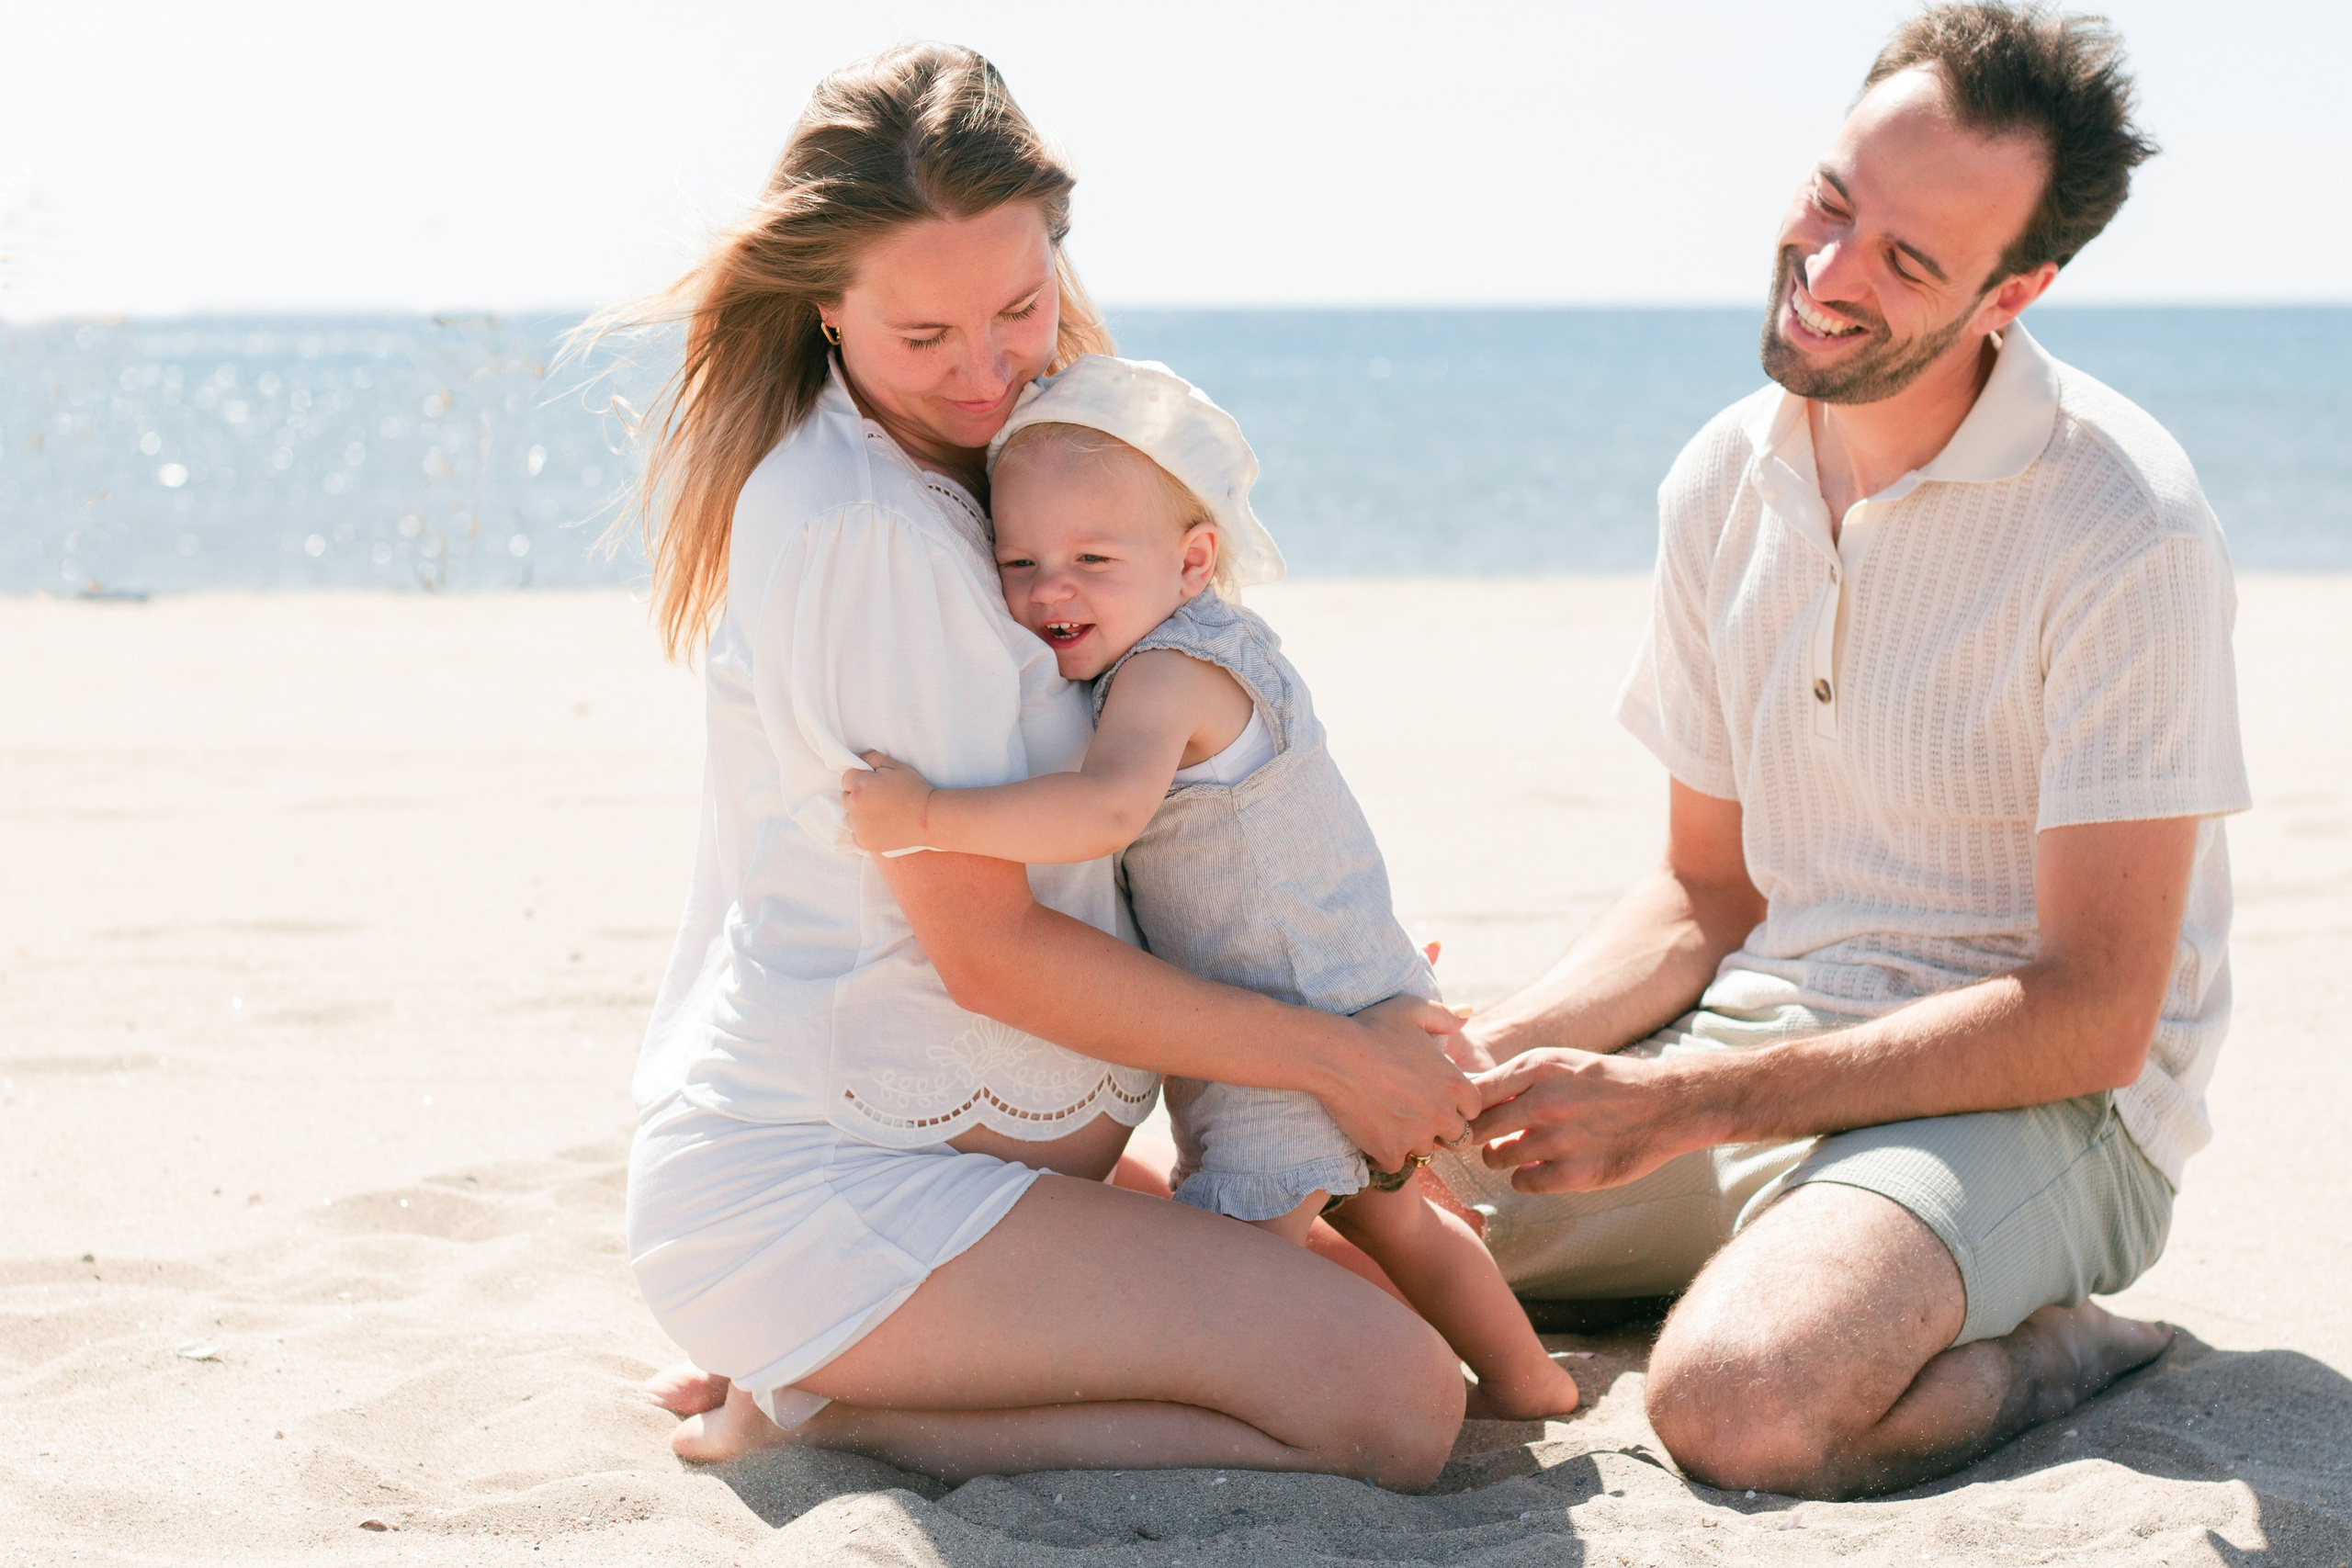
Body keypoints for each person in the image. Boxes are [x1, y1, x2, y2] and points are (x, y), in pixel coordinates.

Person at [611, 44, 1480, 1486]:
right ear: (826, 307)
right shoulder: (871, 533)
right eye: (926, 335)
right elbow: (991, 951)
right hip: (836, 1189)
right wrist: (1337, 1057)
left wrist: (1334, 966)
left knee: (1381, 1309)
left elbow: (1143, 825)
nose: (988, 366)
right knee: (1394, 1402)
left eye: (1020, 306)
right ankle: (823, 1402)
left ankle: (841, 1360)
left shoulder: (1021, 472)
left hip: (944, 1172)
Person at [1440, 1, 2248, 1500]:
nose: (1825, 273)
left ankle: (2067, 1344)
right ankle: (1767, 1253)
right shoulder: (1721, 475)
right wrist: (1474, 1055)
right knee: (1334, 1205)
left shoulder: (2125, 524)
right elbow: (1707, 892)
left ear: (2016, 290)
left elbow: (2096, 1015)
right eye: (1829, 203)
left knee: (1745, 1404)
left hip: (2038, 1112)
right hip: (1762, 1046)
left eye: (1906, 260)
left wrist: (1676, 1107)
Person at [842, 355, 1580, 1420]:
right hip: (1342, 985)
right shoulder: (1223, 646)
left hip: (1278, 1042)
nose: (1053, 588)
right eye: (1019, 561)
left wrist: (924, 819)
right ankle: (1533, 1383)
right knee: (1400, 1221)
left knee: (1237, 1280)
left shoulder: (1163, 675)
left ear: (1193, 561)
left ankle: (1348, 1395)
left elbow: (1104, 810)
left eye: (1095, 557)